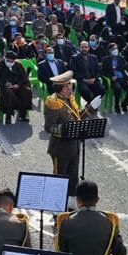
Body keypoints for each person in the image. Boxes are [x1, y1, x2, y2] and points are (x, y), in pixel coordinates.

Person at [44, 71, 100, 204]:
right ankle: (56, 205)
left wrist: (91, 108)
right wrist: (65, 130)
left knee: (73, 177)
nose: (72, 88)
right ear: (64, 88)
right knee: (60, 177)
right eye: (70, 86)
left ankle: (70, 203)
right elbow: (48, 126)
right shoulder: (54, 103)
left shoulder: (70, 99)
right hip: (60, 148)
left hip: (74, 146)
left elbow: (77, 116)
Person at [56, 180, 127, 255]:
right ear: (97, 200)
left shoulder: (66, 222)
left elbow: (61, 252)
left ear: (78, 201)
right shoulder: (110, 222)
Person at [0, 51, 32, 124]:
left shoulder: (18, 64)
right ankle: (8, 115)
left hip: (17, 85)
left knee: (26, 91)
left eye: (14, 60)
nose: (12, 61)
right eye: (11, 59)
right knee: (9, 94)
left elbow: (23, 77)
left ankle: (22, 114)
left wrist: (18, 84)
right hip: (5, 86)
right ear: (6, 58)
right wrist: (5, 83)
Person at [102, 43, 128, 113]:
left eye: (116, 48)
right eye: (114, 49)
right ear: (110, 50)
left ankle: (124, 104)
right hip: (114, 80)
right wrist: (111, 77)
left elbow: (126, 65)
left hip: (122, 78)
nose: (116, 50)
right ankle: (116, 105)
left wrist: (117, 67)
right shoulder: (105, 59)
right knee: (118, 88)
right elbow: (103, 71)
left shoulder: (121, 58)